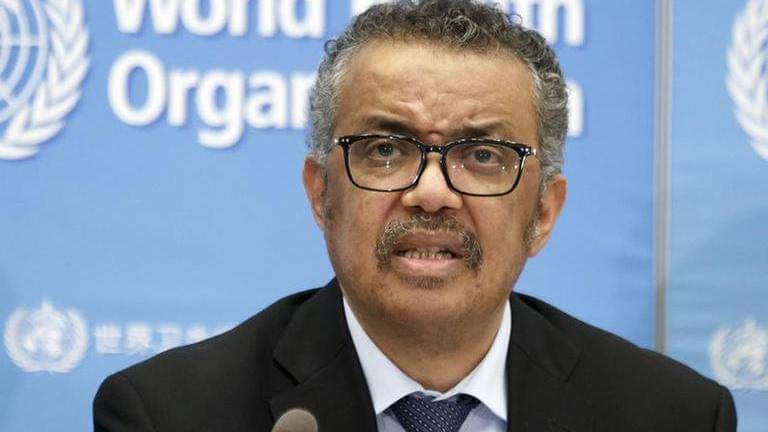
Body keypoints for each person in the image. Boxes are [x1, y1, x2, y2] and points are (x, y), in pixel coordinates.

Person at [93, 1, 737, 431]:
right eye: (385, 150)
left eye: (482, 155)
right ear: (321, 194)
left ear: (543, 212)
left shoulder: (670, 416)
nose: (432, 193)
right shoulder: (171, 415)